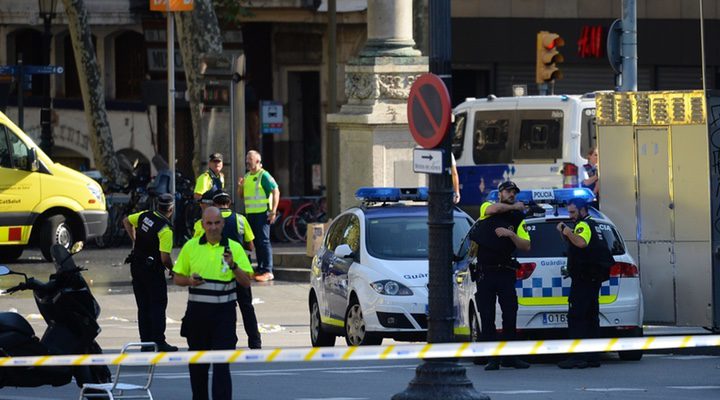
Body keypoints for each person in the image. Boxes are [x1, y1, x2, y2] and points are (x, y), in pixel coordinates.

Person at [173, 207, 253, 400]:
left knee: (221, 367)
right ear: (202, 224)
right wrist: (190, 281)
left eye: (217, 223)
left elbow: (247, 281)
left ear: (223, 224)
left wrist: (233, 265)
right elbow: (177, 277)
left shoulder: (234, 247)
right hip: (197, 316)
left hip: (223, 317)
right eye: (209, 223)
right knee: (198, 368)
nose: (213, 227)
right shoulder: (191, 247)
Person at [470, 180, 531, 371]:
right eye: (508, 191)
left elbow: (526, 245)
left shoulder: (517, 219)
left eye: (514, 192)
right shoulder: (487, 206)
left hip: (505, 272)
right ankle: (492, 358)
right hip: (486, 273)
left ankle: (510, 357)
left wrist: (511, 235)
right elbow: (494, 210)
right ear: (500, 193)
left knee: (510, 314)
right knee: (487, 316)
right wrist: (513, 206)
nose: (512, 194)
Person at [194, 191, 262, 349]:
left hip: (216, 271)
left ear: (214, 205)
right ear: (230, 203)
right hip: (239, 269)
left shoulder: (205, 222)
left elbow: (197, 244)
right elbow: (251, 245)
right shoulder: (240, 219)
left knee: (224, 307)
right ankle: (255, 341)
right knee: (246, 305)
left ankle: (229, 340)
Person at [556, 198, 614, 369]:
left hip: (583, 279)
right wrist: (566, 233)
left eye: (573, 212)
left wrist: (566, 231)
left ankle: (578, 357)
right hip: (592, 279)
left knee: (577, 318)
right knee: (591, 318)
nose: (571, 216)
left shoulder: (584, 225)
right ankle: (592, 357)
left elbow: (581, 242)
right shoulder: (596, 225)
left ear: (583, 210)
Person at [122, 193, 178, 352]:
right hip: (152, 271)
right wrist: (172, 270)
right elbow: (165, 257)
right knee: (158, 305)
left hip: (137, 266)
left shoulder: (145, 215)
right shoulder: (165, 229)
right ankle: (159, 342)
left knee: (143, 305)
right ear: (171, 209)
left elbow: (126, 221)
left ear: (157, 205)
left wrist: (134, 240)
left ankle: (145, 343)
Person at [240, 150, 279, 282]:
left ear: (257, 161)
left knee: (263, 241)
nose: (247, 161)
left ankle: (268, 270)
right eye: (247, 159)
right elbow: (241, 196)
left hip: (262, 214)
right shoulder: (246, 176)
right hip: (250, 214)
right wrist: (240, 187)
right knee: (256, 242)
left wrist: (273, 210)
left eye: (250, 159)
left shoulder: (264, 175)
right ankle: (261, 268)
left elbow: (276, 190)